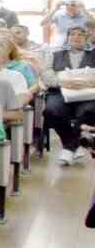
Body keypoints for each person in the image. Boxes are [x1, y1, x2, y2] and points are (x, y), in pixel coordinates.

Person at [43, 23, 95, 164]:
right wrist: (62, 83)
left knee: (89, 110)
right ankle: (73, 144)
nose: (76, 37)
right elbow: (46, 74)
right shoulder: (55, 54)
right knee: (51, 110)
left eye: (80, 34)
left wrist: (90, 83)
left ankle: (68, 149)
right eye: (72, 34)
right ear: (67, 38)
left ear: (87, 38)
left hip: (88, 94)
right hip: (60, 91)